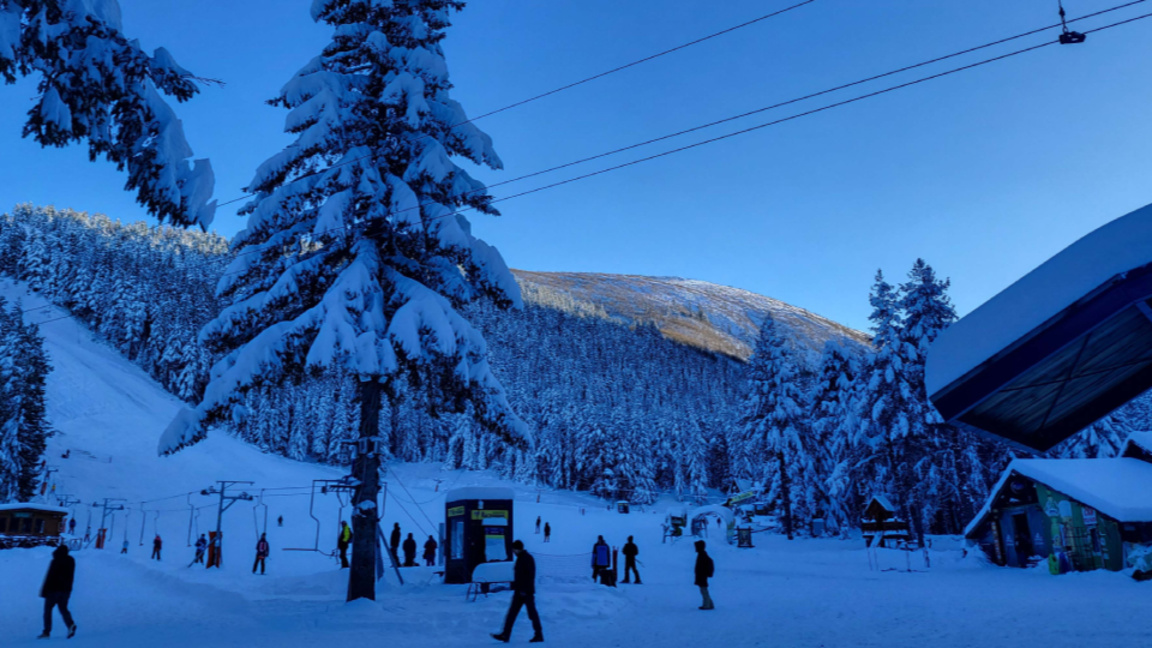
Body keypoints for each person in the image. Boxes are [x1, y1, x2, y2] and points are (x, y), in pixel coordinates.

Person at [491, 540, 543, 643]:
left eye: (514, 549)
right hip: (519, 592)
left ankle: (539, 635)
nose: (513, 552)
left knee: (532, 614)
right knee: (512, 614)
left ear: (517, 549)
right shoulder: (521, 558)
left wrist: (524, 590)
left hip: (526, 593)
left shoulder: (526, 559)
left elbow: (529, 576)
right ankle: (505, 635)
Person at [39, 544, 77, 639]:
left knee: (48, 611)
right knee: (63, 609)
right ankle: (70, 624)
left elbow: (49, 576)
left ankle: (46, 632)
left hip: (53, 590)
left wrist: (44, 591)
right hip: (65, 591)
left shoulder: (55, 561)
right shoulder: (71, 561)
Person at [694, 540, 715, 610]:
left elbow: (701, 567)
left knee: (703, 590)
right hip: (702, 575)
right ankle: (710, 604)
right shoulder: (702, 554)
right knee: (704, 589)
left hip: (702, 575)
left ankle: (707, 605)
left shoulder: (702, 555)